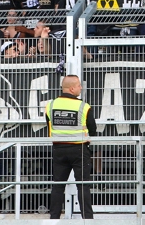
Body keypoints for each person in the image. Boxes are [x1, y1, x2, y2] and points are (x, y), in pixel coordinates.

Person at [46, 75, 96, 220]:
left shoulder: (50, 105)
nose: (81, 87)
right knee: (83, 186)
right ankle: (87, 220)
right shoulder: (84, 106)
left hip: (58, 150)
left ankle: (54, 219)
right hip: (79, 150)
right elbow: (92, 129)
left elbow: (49, 126)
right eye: (79, 85)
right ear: (72, 88)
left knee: (58, 186)